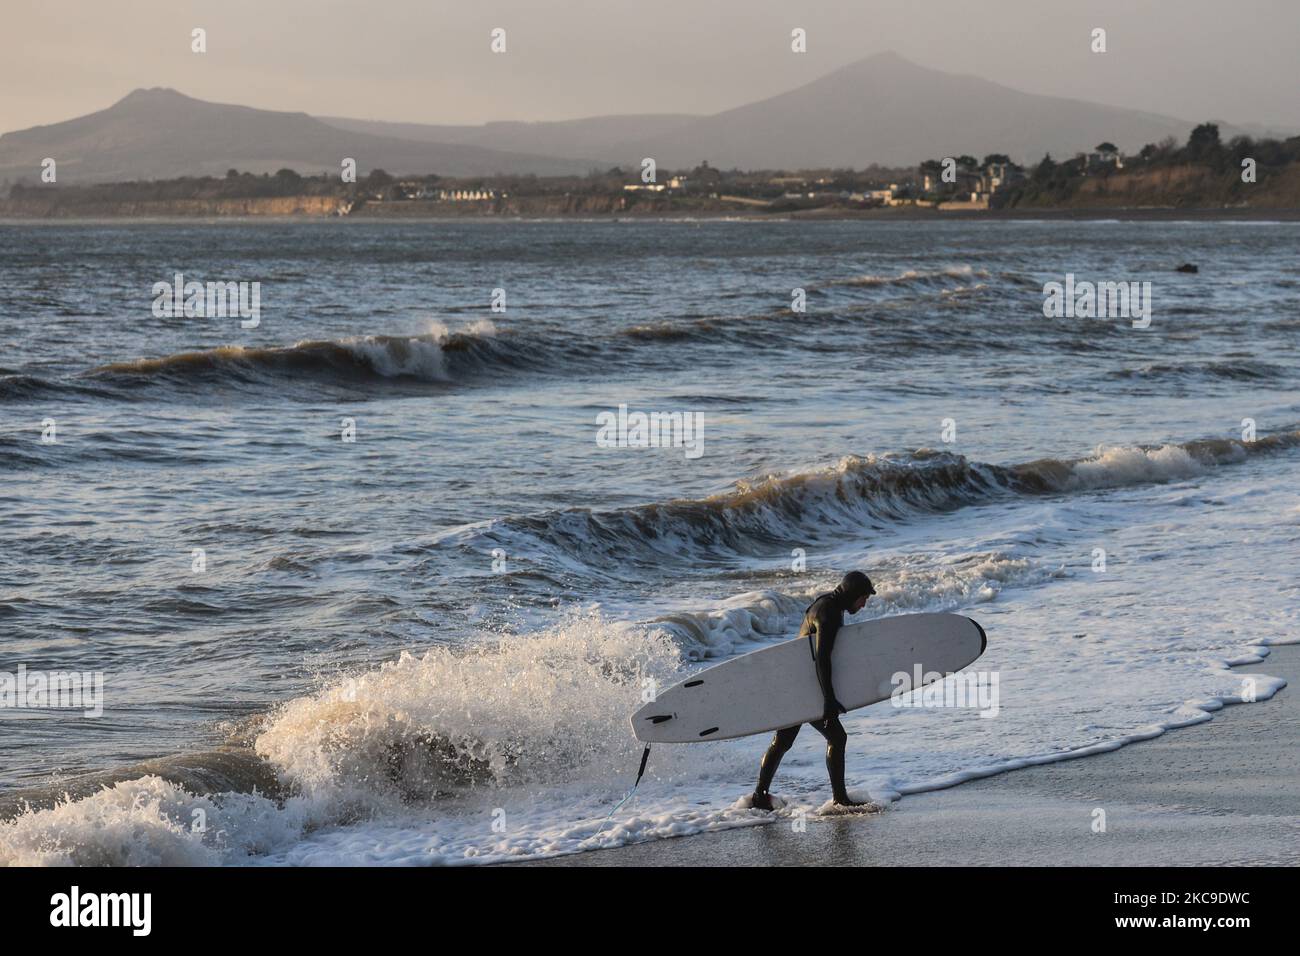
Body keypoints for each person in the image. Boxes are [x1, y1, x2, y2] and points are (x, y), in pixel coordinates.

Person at [751, 570, 876, 810]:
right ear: (852, 594)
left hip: (797, 682)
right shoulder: (828, 613)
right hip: (807, 686)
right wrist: (828, 701)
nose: (864, 603)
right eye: (863, 597)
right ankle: (839, 800)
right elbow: (821, 659)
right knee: (837, 737)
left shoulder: (830, 604)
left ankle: (760, 795)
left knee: (783, 741)